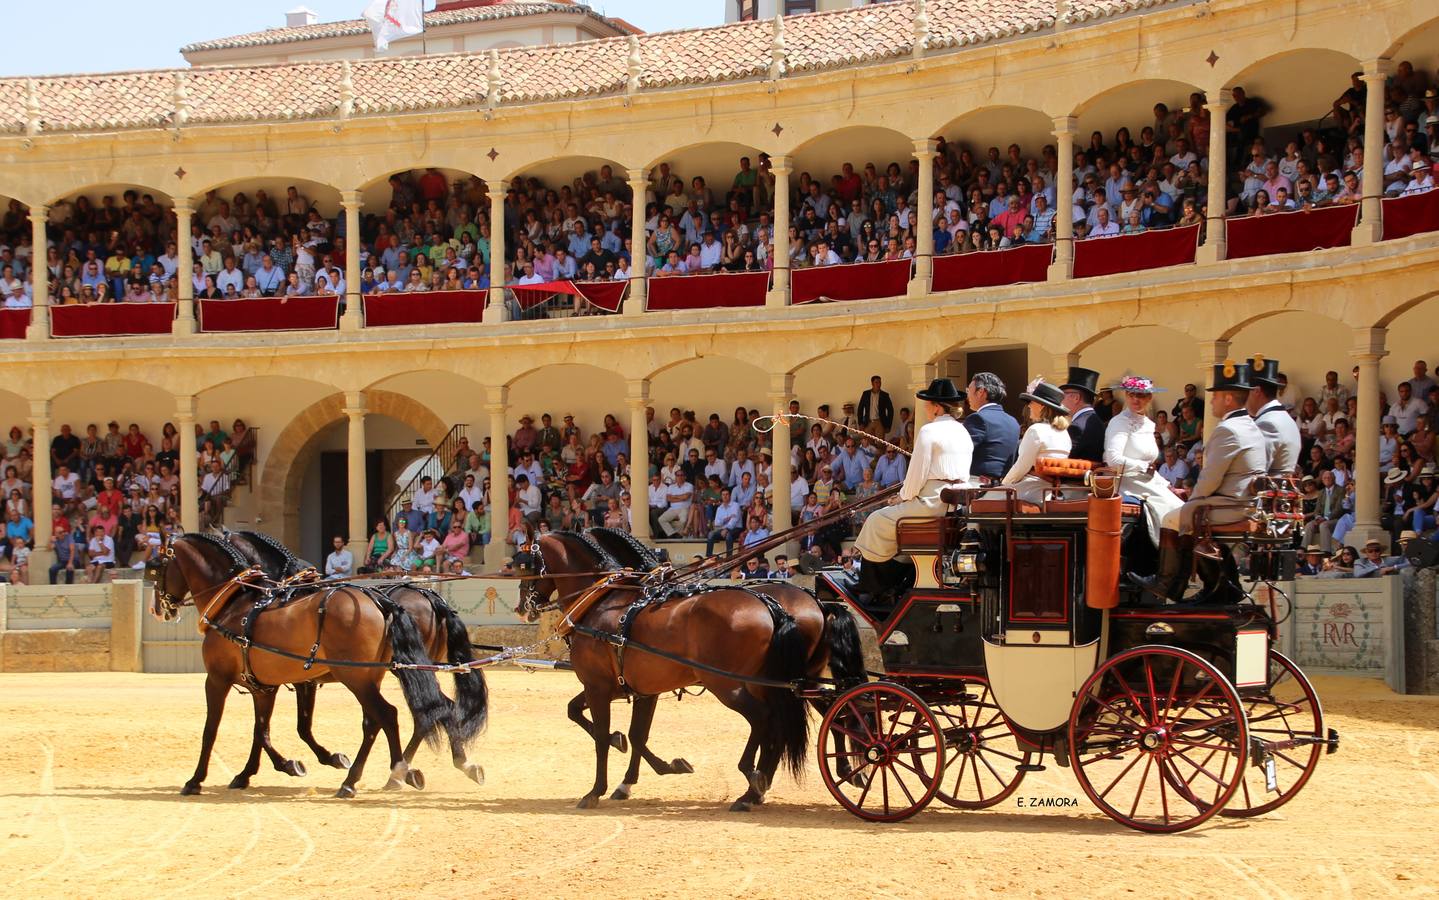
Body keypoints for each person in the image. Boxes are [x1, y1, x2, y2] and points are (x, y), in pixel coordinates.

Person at [1133, 360, 1267, 602]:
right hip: (1243, 504)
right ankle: (1224, 587)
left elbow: (1209, 479)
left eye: (1215, 396)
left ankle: (1168, 584)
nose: (1212, 401)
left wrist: (1190, 502)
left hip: (1230, 506)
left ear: (1228, 398)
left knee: (1173, 517)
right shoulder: (1250, 426)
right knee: (1188, 514)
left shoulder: (1228, 429)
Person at [854, 378, 974, 605]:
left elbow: (916, 475)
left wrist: (901, 497)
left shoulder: (929, 431)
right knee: (891, 529)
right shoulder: (963, 431)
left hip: (930, 502)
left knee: (875, 520)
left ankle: (872, 586)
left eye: (928, 403)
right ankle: (895, 582)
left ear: (937, 407)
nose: (926, 407)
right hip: (952, 502)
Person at [1104, 376, 1184, 544]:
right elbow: (1113, 459)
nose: (1135, 399)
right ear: (1126, 395)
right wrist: (1142, 467)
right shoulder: (1119, 422)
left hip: (1148, 481)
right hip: (1126, 481)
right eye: (1131, 394)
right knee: (1172, 511)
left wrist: (1165, 484)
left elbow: (1150, 463)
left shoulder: (1148, 423)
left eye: (1141, 395)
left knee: (1183, 510)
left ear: (1149, 398)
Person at [992, 379, 1071, 505]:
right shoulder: (1064, 433)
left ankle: (972, 526)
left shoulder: (1036, 430)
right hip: (1051, 491)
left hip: (1031, 489)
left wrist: (1005, 483)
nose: (1028, 406)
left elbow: (1022, 465)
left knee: (977, 502)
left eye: (1032, 402)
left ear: (1042, 406)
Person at [1247, 357, 1301, 476]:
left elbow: (1254, 470)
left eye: (1246, 391)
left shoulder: (1267, 423)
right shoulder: (1281, 417)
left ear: (1256, 391)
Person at [962, 372, 1019, 484]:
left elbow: (960, 452)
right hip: (1004, 487)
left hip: (977, 485)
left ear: (981, 392)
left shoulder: (977, 418)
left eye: (968, 390)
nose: (967, 396)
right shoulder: (1013, 421)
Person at [1061, 366, 1106, 463]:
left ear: (1076, 398)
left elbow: (1064, 460)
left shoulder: (1077, 426)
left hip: (1076, 477)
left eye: (1064, 394)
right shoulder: (1095, 420)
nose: (1061, 399)